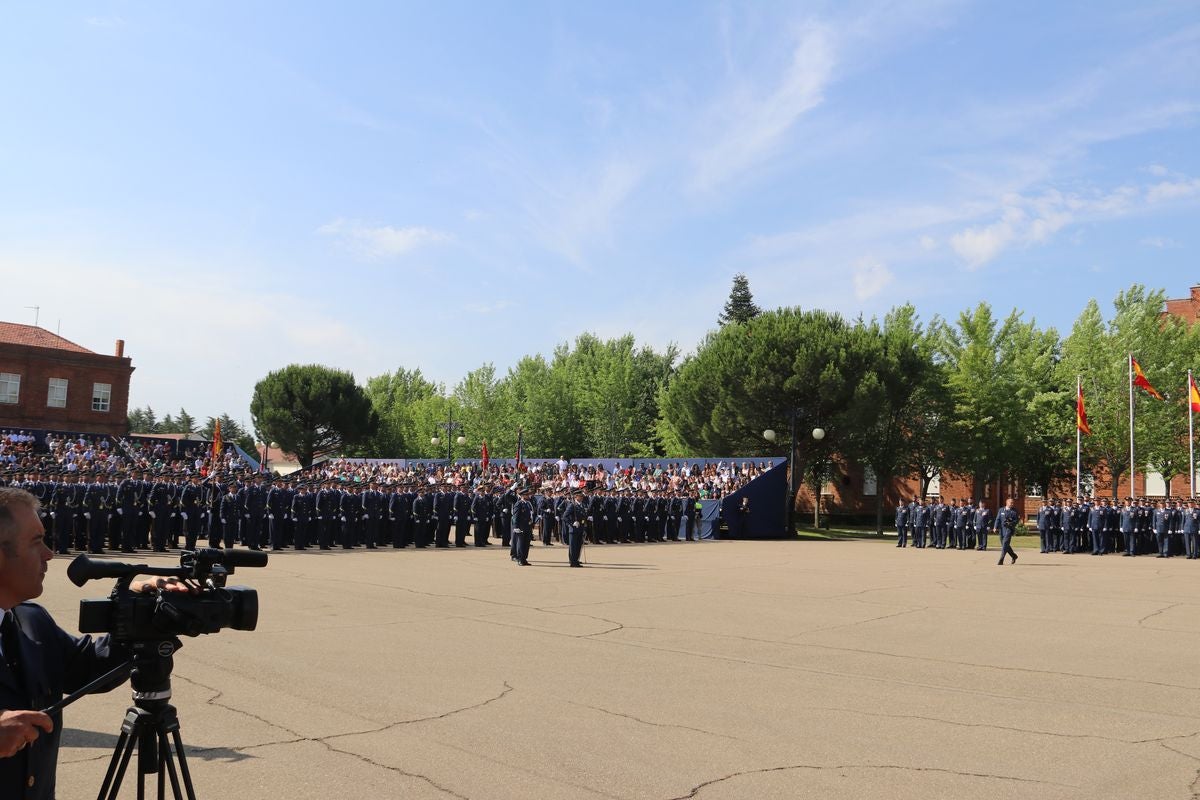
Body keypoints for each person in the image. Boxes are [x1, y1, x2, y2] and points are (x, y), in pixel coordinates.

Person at [0, 487, 185, 799]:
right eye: (36, 542)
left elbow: (89, 668)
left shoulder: (32, 621)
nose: (49, 553)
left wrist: (141, 614)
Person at [996, 497, 1019, 565]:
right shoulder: (1001, 510)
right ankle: (1014, 556)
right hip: (1002, 529)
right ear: (1007, 503)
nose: (1012, 504)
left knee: (1005, 543)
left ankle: (1001, 559)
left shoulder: (1014, 511)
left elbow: (1016, 520)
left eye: (1013, 503)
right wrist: (995, 527)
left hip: (1009, 529)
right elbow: (998, 519)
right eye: (1011, 503)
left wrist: (1010, 523)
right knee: (1004, 544)